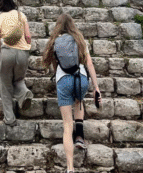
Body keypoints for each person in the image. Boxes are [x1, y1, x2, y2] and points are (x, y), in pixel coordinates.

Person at [42, 13, 101, 173]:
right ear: (72, 25)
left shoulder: (55, 41)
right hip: (81, 78)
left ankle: (70, 168)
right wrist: (96, 87)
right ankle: (80, 136)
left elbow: (47, 62)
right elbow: (89, 64)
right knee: (79, 101)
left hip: (63, 80)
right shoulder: (80, 40)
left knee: (67, 125)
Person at [0, 0, 33, 126]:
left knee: (5, 85)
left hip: (7, 52)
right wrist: (25, 49)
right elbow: (28, 37)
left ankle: (9, 118)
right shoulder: (21, 15)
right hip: (23, 53)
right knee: (19, 80)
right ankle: (24, 93)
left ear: (1, 4)